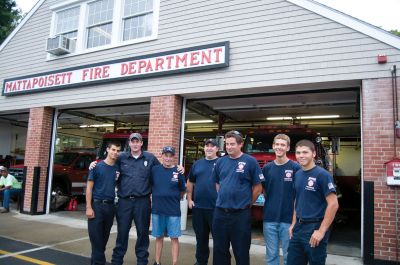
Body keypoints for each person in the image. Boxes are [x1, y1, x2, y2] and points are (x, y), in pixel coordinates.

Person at [212, 130, 264, 265]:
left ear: (240, 144)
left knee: (241, 251)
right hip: (220, 213)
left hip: (240, 214)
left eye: (232, 144)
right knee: (219, 250)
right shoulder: (220, 162)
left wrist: (248, 203)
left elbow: (258, 188)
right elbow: (218, 185)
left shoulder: (250, 161)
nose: (228, 147)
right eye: (227, 144)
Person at [287, 140, 339, 265]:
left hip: (314, 228)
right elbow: (297, 200)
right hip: (298, 228)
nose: (301, 155)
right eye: (298, 153)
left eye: (305, 152)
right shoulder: (298, 174)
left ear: (313, 154)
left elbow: (333, 204)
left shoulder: (322, 175)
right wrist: (293, 223)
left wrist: (321, 231)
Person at [262, 134, 301, 265]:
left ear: (288, 147)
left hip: (288, 220)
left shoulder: (295, 168)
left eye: (282, 145)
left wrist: (295, 221)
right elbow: (265, 191)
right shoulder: (267, 168)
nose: (279, 147)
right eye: (277, 144)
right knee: (271, 256)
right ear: (273, 146)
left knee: (289, 256)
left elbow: (299, 195)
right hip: (269, 219)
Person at [86, 142, 121, 265]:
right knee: (96, 242)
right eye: (113, 149)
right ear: (107, 150)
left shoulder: (118, 168)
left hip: (110, 208)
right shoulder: (96, 166)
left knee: (102, 244)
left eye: (117, 150)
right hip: (96, 207)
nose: (115, 152)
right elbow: (89, 188)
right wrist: (88, 207)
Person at [150, 146, 186, 265]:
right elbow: (150, 185)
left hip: (173, 211)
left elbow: (182, 190)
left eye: (170, 156)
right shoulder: (154, 170)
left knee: (174, 238)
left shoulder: (178, 171)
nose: (168, 158)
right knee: (158, 237)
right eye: (166, 155)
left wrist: (173, 197)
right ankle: (157, 262)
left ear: (174, 157)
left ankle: (174, 263)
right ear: (162, 156)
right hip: (157, 210)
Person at [187, 138, 219, 265]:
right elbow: (190, 181)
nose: (209, 148)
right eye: (207, 146)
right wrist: (189, 199)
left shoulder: (222, 163)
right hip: (199, 208)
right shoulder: (197, 164)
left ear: (217, 148)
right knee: (201, 238)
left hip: (217, 208)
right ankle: (201, 261)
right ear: (204, 148)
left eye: (212, 146)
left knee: (219, 239)